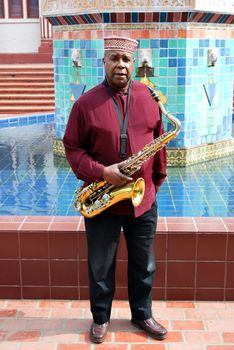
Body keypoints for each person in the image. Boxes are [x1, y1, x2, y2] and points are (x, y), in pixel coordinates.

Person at [63, 36, 168, 343]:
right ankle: (100, 318)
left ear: (133, 63)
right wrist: (103, 173)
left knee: (144, 263)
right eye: (114, 59)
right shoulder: (84, 103)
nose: (120, 65)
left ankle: (142, 314)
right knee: (100, 264)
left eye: (125, 59)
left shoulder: (151, 98)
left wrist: (155, 183)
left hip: (141, 198)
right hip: (103, 198)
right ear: (104, 62)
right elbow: (72, 147)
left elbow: (158, 143)